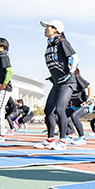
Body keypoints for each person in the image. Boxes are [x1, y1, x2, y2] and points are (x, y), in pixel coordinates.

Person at [37, 19, 78, 149]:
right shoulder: (50, 44)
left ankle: (63, 141)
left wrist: (70, 72)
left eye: (47, 27)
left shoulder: (61, 41)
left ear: (55, 29)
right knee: (48, 110)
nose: (45, 29)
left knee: (60, 109)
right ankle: (50, 140)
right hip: (56, 83)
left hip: (67, 82)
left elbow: (75, 57)